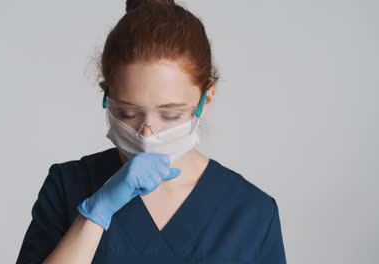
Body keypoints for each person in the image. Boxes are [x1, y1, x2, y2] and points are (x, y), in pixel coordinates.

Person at [15, 0, 287, 263]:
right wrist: (94, 216)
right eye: (128, 113)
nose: (147, 135)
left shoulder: (251, 212)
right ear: (106, 97)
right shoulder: (68, 186)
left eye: (170, 114)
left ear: (207, 99)